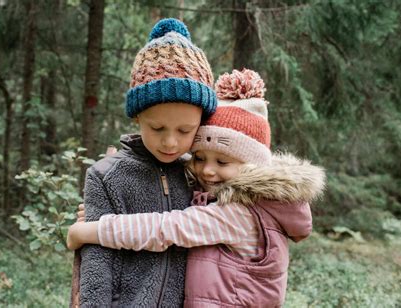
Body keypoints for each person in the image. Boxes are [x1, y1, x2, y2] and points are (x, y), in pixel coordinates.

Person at [68, 69, 326, 307]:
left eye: (222, 162)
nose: (207, 170)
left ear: (252, 165)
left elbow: (166, 228)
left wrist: (92, 230)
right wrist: (99, 211)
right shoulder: (227, 200)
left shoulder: (238, 213)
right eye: (199, 158)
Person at [77, 18, 217, 307]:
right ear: (137, 116)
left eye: (184, 130)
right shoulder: (106, 176)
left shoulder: (203, 175)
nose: (170, 143)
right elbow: (96, 266)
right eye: (157, 128)